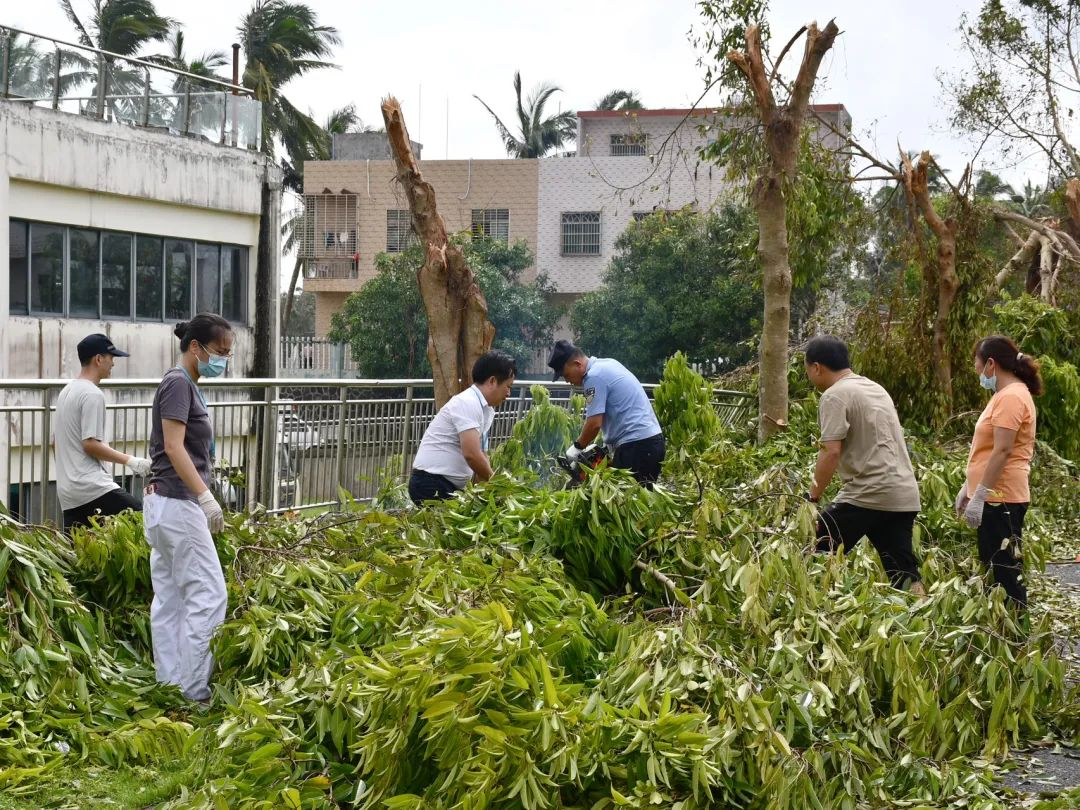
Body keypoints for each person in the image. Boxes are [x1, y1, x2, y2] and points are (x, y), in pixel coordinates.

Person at [143, 314, 232, 702]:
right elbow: (174, 446)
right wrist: (205, 498)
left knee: (171, 598)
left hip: (161, 502)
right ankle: (193, 691)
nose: (224, 360)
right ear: (195, 347)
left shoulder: (185, 384)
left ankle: (171, 684)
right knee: (210, 595)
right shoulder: (179, 383)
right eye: (220, 352)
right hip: (178, 503)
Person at [804, 335, 926, 595]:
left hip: (869, 492)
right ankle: (922, 617)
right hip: (902, 493)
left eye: (808, 370)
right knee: (903, 569)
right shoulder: (874, 387)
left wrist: (812, 498)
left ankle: (815, 608)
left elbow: (830, 453)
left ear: (816, 367)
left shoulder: (834, 395)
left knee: (820, 547)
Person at [956, 335, 1041, 609]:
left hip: (1001, 496)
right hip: (995, 493)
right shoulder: (1005, 395)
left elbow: (1002, 451)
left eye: (977, 365)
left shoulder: (1012, 398)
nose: (977, 371)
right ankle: (1003, 631)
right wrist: (968, 488)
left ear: (991, 364)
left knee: (1004, 571)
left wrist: (980, 495)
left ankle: (1015, 635)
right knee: (994, 566)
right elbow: (986, 448)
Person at [54, 334, 150, 533]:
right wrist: (132, 461)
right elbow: (90, 444)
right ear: (98, 359)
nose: (113, 363)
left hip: (68, 493)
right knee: (145, 521)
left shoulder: (66, 392)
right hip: (92, 487)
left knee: (82, 557)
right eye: (111, 358)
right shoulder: (92, 394)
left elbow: (56, 442)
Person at [548, 340, 666, 487]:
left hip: (636, 446)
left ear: (577, 364)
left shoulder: (593, 377)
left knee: (624, 503)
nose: (567, 381)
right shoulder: (607, 363)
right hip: (648, 443)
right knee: (638, 502)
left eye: (566, 375)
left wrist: (577, 447)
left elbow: (594, 424)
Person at [408, 350, 517, 503]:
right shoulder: (468, 402)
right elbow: (471, 454)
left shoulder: (485, 410)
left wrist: (488, 493)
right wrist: (497, 484)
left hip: (447, 486)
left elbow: (482, 457)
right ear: (492, 381)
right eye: (508, 386)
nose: (509, 393)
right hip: (431, 484)